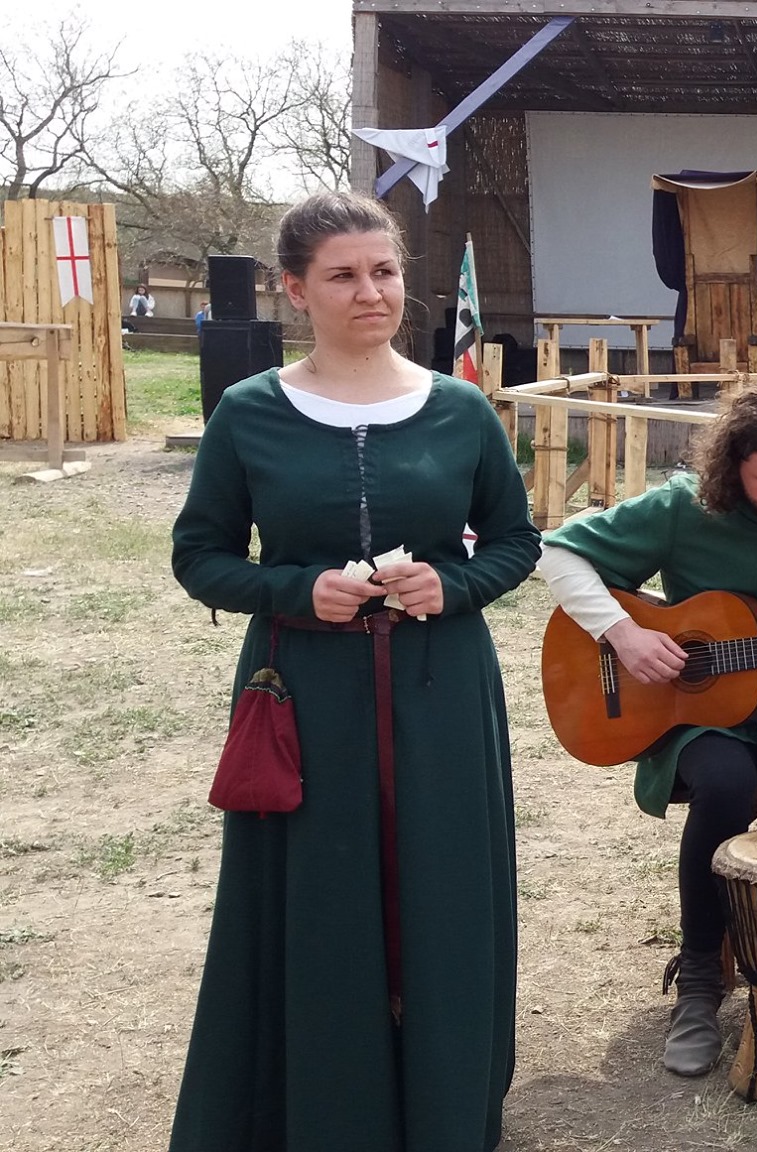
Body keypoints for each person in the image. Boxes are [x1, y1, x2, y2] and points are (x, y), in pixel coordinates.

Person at [168, 191, 542, 1150]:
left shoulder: (459, 410)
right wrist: (300, 590)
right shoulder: (250, 413)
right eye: (342, 275)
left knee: (443, 894)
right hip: (305, 694)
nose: (370, 292)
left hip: (442, 691)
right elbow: (201, 554)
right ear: (296, 290)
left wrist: (450, 587)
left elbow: (514, 541)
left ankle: (445, 1109)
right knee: (321, 901)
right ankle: (325, 1108)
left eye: (383, 271)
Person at [538, 383, 757, 1077]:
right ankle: (701, 977)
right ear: (732, 472)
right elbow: (555, 553)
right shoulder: (680, 509)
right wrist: (624, 633)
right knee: (724, 787)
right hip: (694, 707)